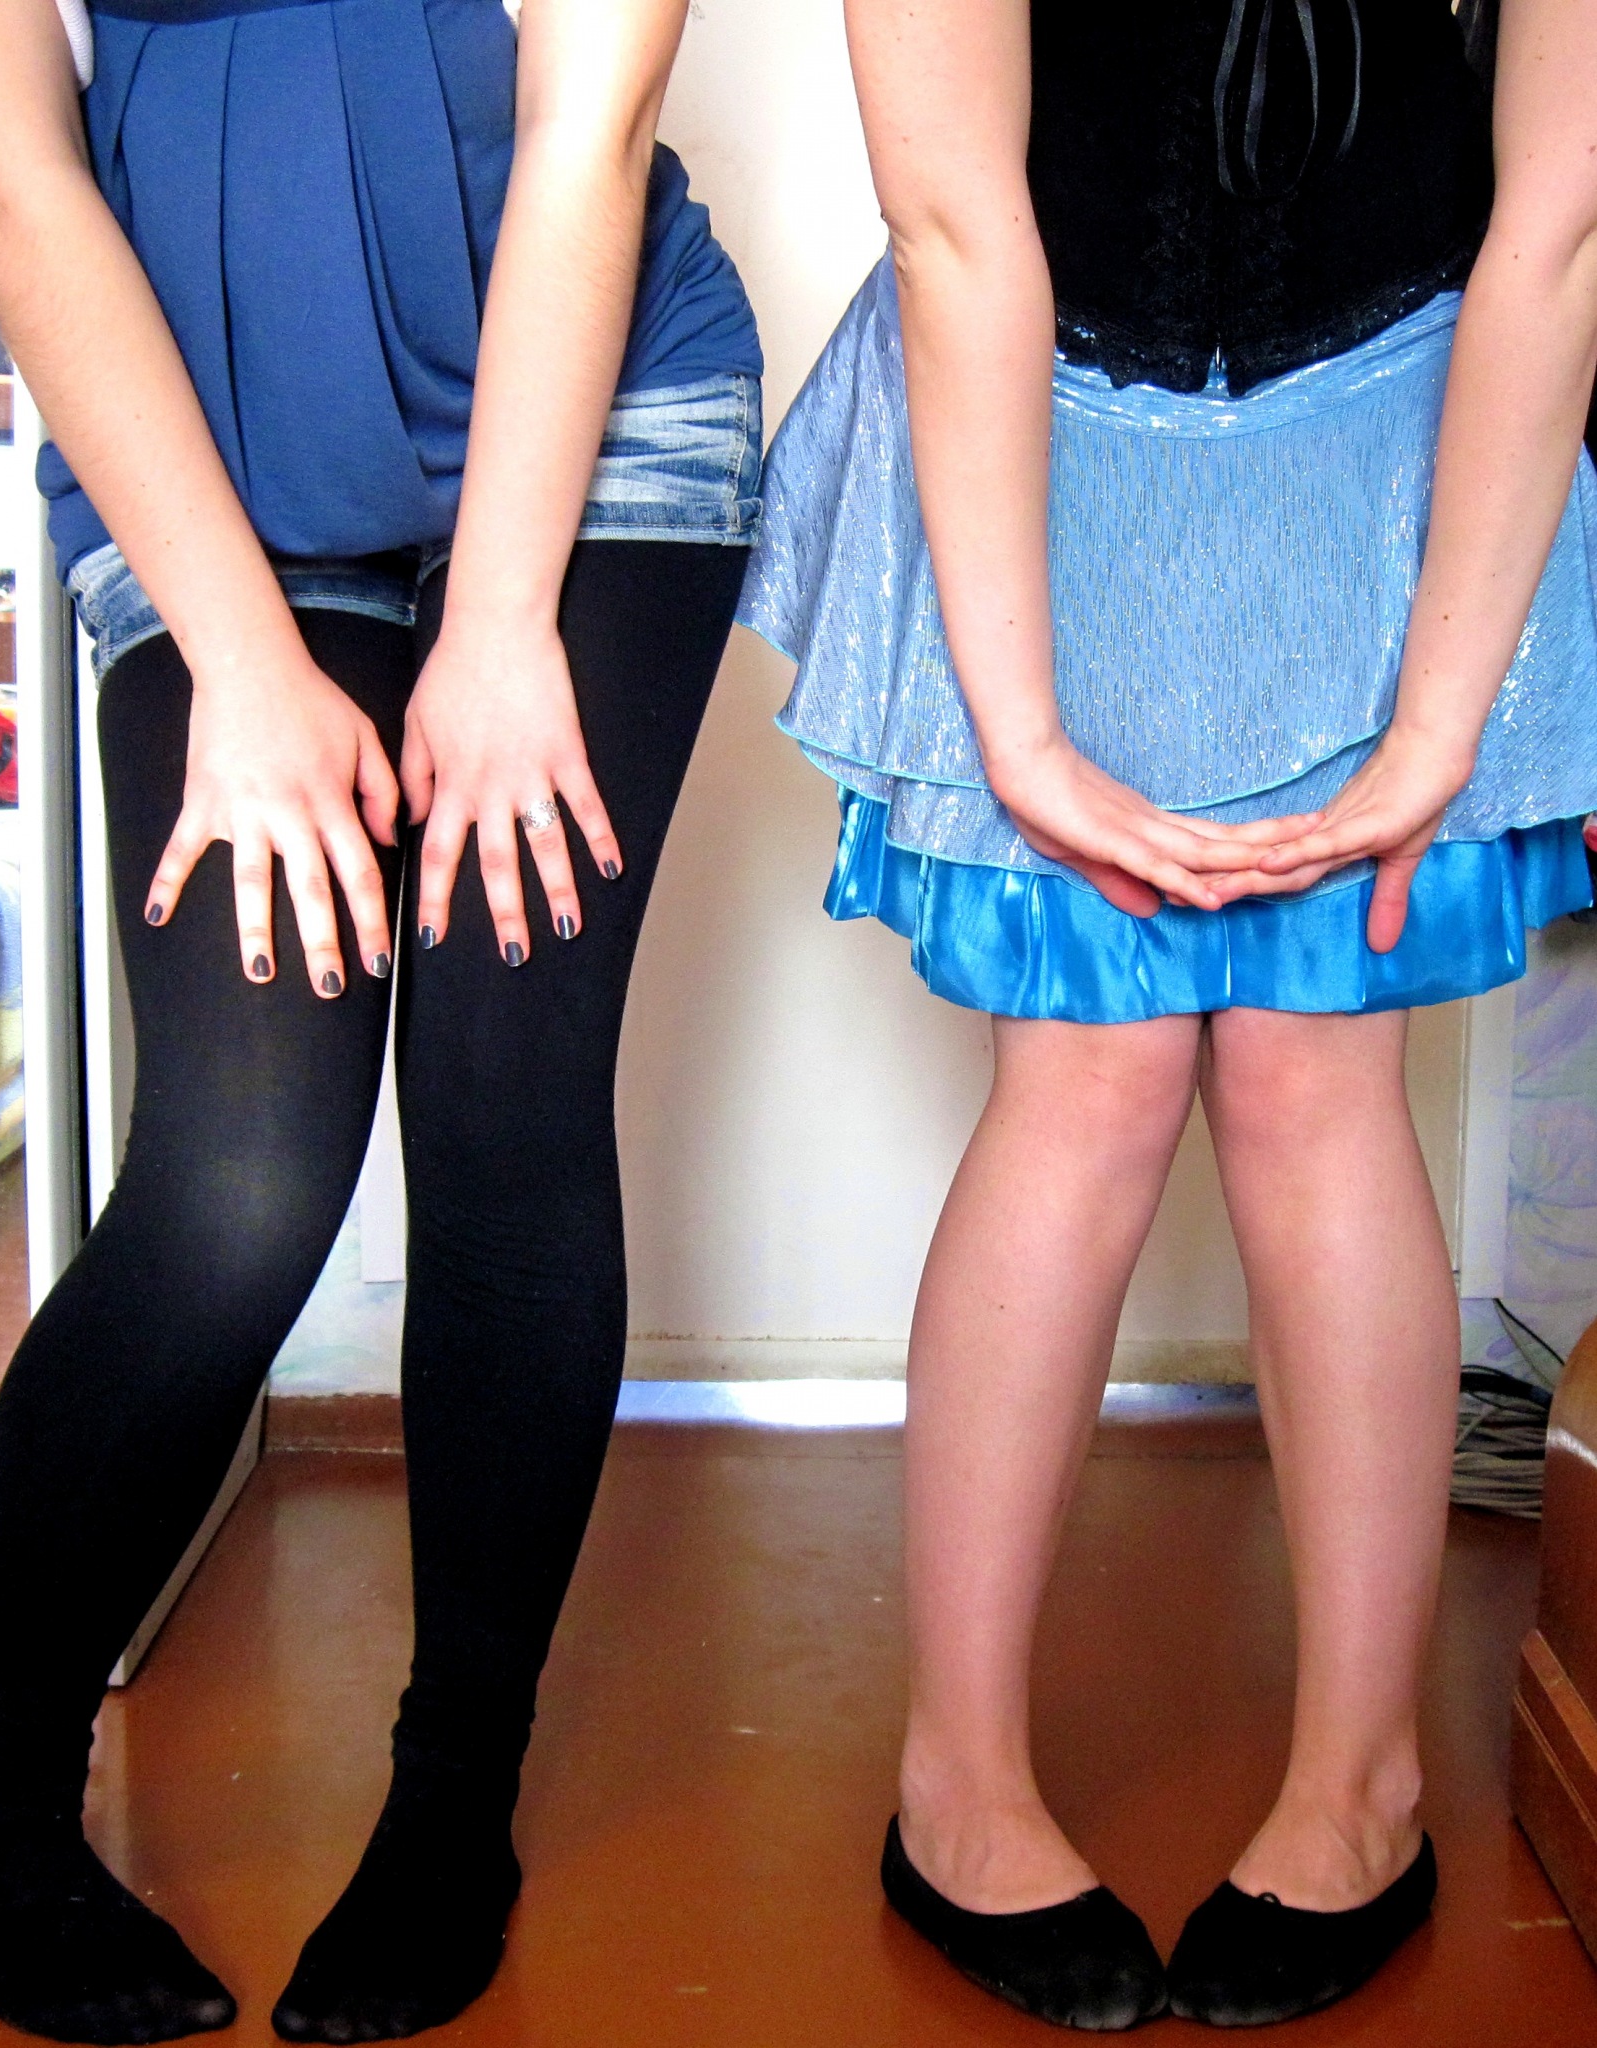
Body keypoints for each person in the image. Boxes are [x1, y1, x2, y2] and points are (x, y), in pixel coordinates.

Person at [740, 0, 1597, 2029]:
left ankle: (1362, 1788)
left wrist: (1440, 723)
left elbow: (1562, 215)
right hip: (1028, 411)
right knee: (1090, 1072)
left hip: (1416, 427)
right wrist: (1021, 735)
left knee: (1317, 1071)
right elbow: (958, 218)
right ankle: (956, 1783)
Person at [0, 0, 760, 2040]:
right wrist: (238, 663)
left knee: (504, 1102)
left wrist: (497, 627)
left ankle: (453, 1800)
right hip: (213, 480)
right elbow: (15, 174)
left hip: (588, 426)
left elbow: (588, 130)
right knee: (240, 1185)